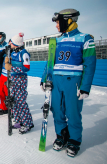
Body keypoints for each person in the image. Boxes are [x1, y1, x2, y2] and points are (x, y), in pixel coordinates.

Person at [40, 9, 96, 157]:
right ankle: (61, 136)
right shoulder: (56, 40)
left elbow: (90, 65)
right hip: (57, 81)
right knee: (57, 111)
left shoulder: (85, 39)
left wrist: (85, 87)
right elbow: (49, 62)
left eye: (58, 22)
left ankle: (74, 140)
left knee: (73, 112)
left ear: (69, 20)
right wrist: (44, 78)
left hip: (73, 82)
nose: (56, 26)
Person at [4, 33, 34, 134]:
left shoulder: (24, 53)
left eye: (11, 43)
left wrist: (11, 67)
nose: (10, 44)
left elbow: (26, 68)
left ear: (16, 44)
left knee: (21, 101)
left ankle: (27, 123)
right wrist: (7, 62)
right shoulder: (13, 53)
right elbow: (9, 65)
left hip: (20, 79)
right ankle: (19, 120)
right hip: (13, 79)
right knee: (14, 101)